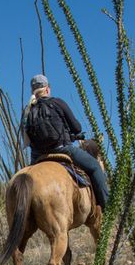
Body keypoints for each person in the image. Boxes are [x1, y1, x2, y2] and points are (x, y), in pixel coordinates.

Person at [21, 74, 109, 209]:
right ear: (47, 89)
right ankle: (108, 208)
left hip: (37, 156)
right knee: (95, 167)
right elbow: (76, 127)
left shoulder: (27, 111)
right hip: (62, 149)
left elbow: (26, 137)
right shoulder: (57, 103)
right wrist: (75, 134)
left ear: (32, 91)